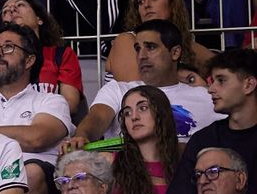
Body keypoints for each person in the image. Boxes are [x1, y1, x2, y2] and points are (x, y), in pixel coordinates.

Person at [67, 21, 220, 149]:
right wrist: (82, 136)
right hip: (126, 172)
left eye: (151, 47)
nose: (141, 56)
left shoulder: (206, 97)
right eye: (138, 49)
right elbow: (97, 118)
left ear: (175, 53)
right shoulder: (118, 89)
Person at [0, 24, 74, 194]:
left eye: (8, 47)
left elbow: (36, 138)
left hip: (34, 183)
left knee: (31, 172)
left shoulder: (51, 101)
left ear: (29, 60)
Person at [163, 50, 257, 194]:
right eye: (212, 82)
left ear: (249, 85)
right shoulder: (204, 139)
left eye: (221, 80)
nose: (211, 90)